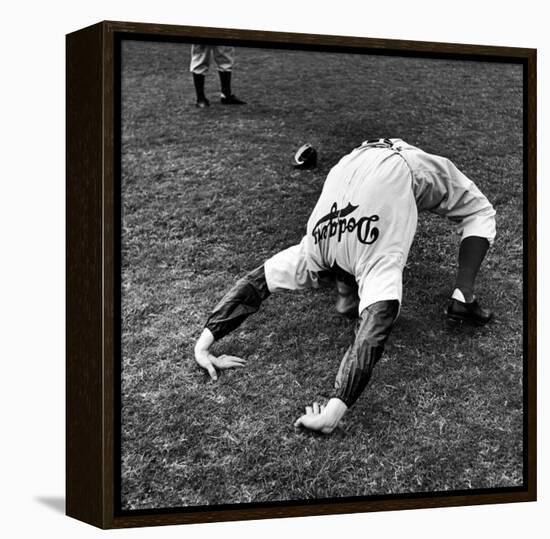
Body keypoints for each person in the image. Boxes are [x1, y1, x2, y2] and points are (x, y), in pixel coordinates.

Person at [194, 138, 496, 434]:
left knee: (473, 210)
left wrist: (204, 344)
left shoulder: (315, 250)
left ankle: (463, 295)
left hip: (374, 164)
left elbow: (258, 282)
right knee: (480, 212)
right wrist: (332, 412)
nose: (347, 307)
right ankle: (462, 297)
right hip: (361, 164)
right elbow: (374, 326)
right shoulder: (345, 258)